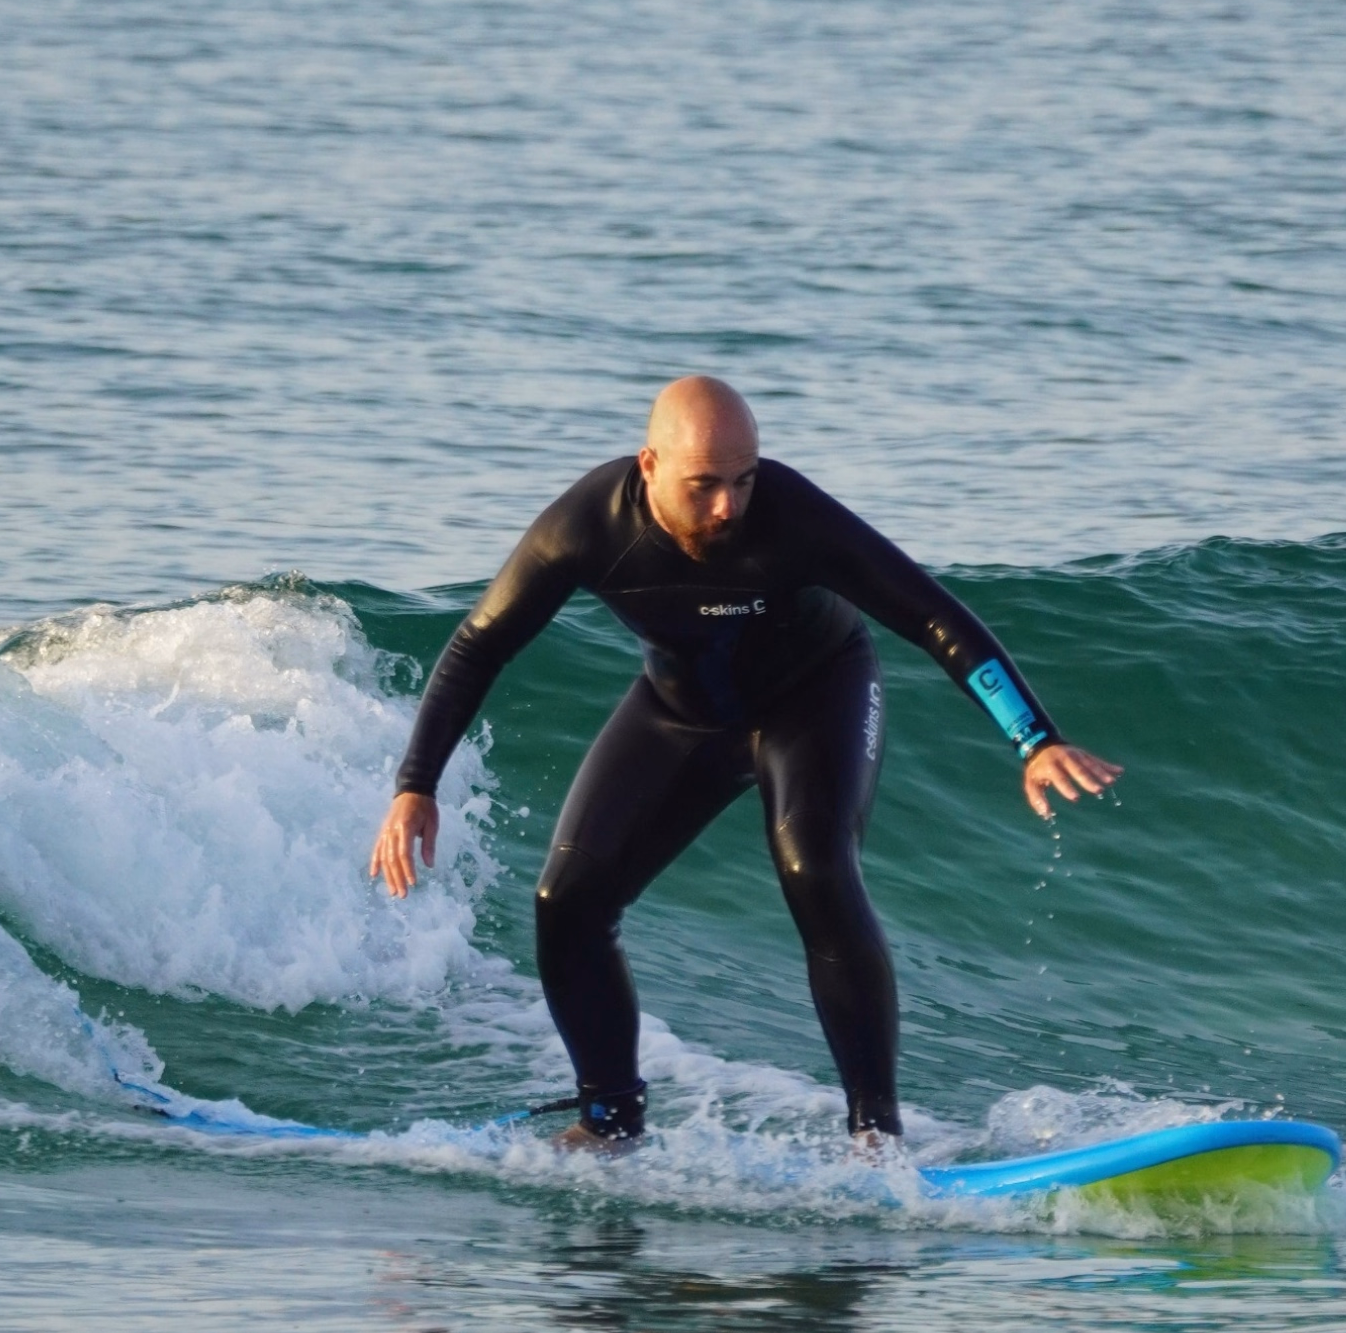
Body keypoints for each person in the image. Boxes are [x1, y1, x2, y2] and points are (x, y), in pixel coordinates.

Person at [370, 377, 1120, 1150]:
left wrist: (1034, 739)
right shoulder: (585, 525)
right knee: (568, 898)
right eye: (705, 486)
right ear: (650, 465)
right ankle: (610, 1121)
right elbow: (479, 644)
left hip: (815, 697)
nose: (730, 506)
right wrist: (415, 785)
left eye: (744, 479)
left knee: (814, 867)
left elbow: (931, 614)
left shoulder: (794, 517)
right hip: (680, 713)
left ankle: (875, 1136)